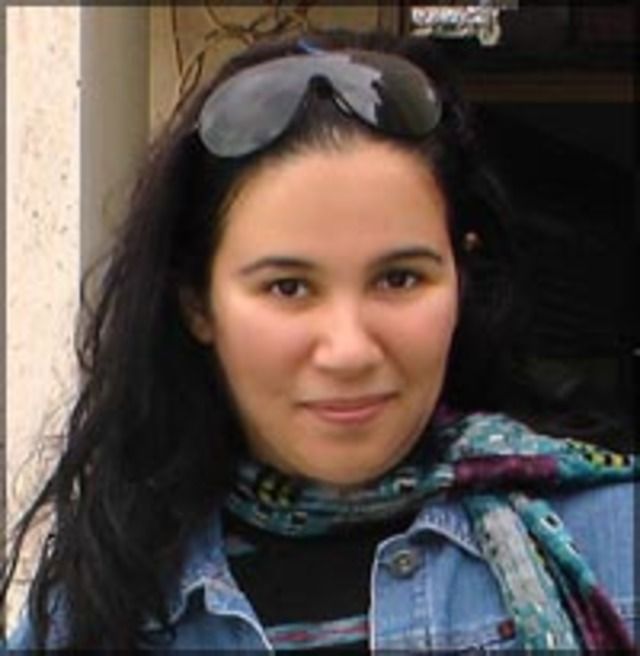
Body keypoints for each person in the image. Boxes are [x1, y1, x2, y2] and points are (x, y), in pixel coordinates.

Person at [2, 29, 637, 652]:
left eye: (399, 278)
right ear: (197, 302)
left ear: (461, 277)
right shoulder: (97, 613)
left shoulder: (616, 548)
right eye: (288, 287)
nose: (349, 350)